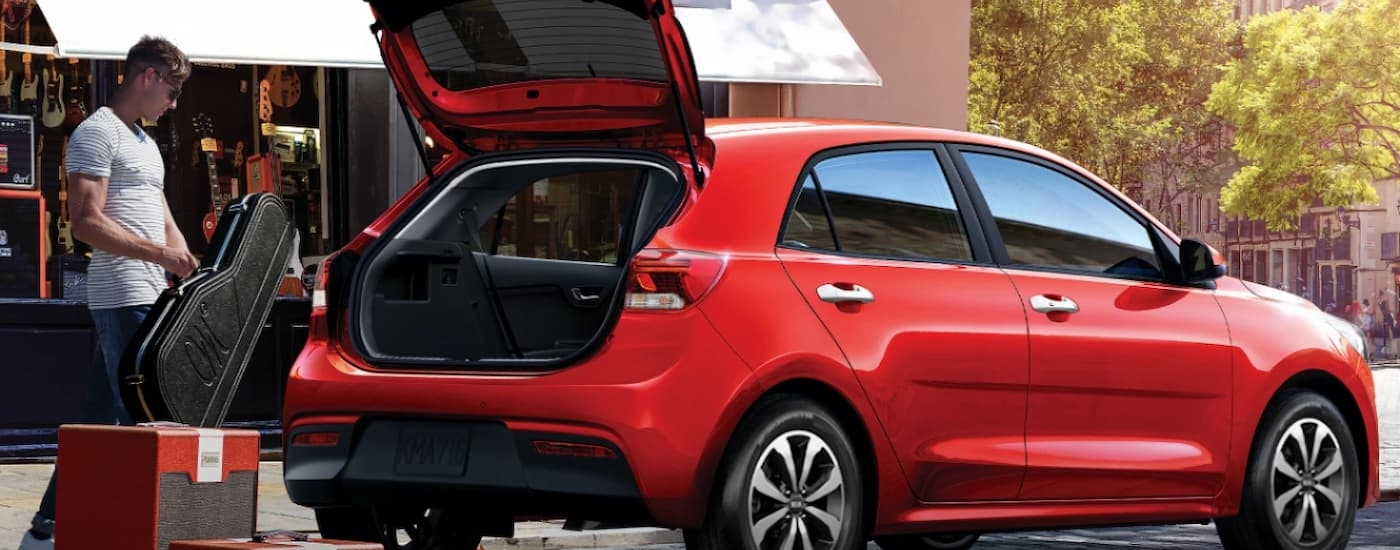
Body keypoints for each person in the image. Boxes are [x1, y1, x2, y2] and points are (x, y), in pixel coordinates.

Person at [19, 36, 196, 550]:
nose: (174, 103)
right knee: (139, 420)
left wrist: (183, 262)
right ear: (148, 77)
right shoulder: (97, 133)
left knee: (101, 418)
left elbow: (160, 214)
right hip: (121, 294)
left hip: (150, 292)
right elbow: (85, 223)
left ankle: (45, 531)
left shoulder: (143, 141)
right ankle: (133, 532)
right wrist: (161, 257)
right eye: (172, 90)